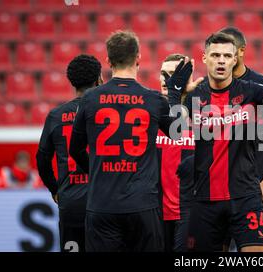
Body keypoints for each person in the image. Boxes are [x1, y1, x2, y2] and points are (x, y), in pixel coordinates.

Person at [166, 32, 263, 252]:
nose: (221, 60)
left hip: (245, 197)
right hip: (205, 200)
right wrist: (175, 95)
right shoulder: (194, 98)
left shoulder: (253, 91)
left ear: (235, 60)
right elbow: (176, 131)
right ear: (204, 58)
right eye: (215, 55)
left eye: (226, 56)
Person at [69, 31, 175, 252]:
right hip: (143, 205)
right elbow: (178, 133)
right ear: (138, 58)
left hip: (102, 204)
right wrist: (175, 94)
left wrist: (96, 171)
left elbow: (75, 148)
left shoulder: (89, 98)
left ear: (107, 60)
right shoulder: (154, 100)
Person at [218, 26, 263, 249]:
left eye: (228, 51)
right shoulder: (207, 88)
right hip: (216, 196)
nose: (222, 58)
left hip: (254, 192)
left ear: (241, 52)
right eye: (217, 53)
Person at [36, 54, 102, 252]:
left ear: (72, 82)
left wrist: (55, 189)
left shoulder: (56, 116)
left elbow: (42, 159)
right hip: (103, 202)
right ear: (98, 79)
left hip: (71, 203)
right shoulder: (106, 112)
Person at [157, 53, 195, 252]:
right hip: (154, 212)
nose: (167, 79)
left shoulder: (202, 112)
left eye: (173, 74)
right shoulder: (149, 111)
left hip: (190, 213)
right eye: (163, 73)